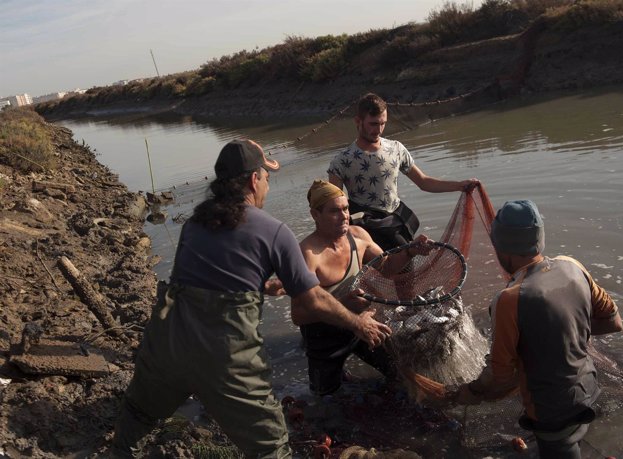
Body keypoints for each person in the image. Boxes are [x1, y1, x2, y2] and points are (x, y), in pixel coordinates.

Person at [110, 140, 391, 459]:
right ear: (253, 180)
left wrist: (257, 289)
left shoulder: (193, 224)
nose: (268, 186)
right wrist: (358, 323)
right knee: (271, 447)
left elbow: (200, 286)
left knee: (138, 417)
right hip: (224, 355)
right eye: (267, 178)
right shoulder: (274, 231)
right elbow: (312, 301)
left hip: (165, 344)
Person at [427, 200, 623, 459]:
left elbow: (499, 377)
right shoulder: (572, 266)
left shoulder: (509, 299)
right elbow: (614, 322)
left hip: (551, 410)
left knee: (560, 449)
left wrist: (464, 394)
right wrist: (566, 334)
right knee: (573, 439)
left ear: (502, 248)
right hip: (588, 386)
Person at [299, 180, 431, 395]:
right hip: (324, 333)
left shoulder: (358, 235)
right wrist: (343, 304)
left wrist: (409, 252)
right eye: (334, 211)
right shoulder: (307, 255)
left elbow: (387, 268)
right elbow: (299, 314)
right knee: (326, 398)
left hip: (362, 324)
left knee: (399, 373)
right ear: (315, 215)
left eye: (346, 208)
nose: (344, 216)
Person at [327, 92, 480, 250]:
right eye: (373, 124)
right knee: (390, 268)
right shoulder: (341, 161)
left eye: (383, 123)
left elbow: (423, 182)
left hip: (396, 221)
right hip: (366, 228)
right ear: (358, 121)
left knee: (406, 266)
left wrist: (460, 186)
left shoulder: (396, 148)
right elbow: (335, 206)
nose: (379, 130)